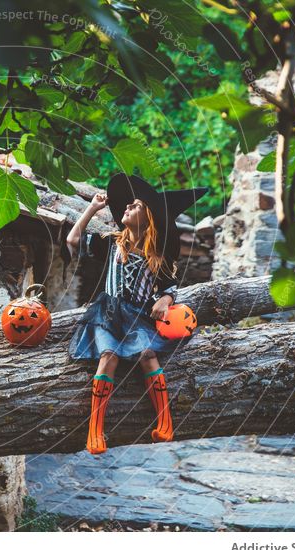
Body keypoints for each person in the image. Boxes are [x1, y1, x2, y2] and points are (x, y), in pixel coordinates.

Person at [64, 173, 209, 454]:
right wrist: (92, 208)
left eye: (136, 205)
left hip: (138, 315)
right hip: (107, 313)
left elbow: (170, 286)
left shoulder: (156, 255)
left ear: (149, 217)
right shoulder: (109, 243)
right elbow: (72, 240)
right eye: (128, 205)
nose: (127, 207)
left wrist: (165, 300)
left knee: (148, 355)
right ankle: (95, 430)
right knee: (109, 357)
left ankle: (165, 422)